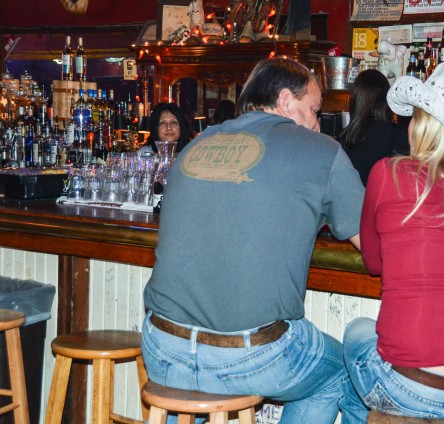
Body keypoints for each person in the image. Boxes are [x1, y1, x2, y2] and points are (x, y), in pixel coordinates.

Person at [142, 57, 364, 424]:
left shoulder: (197, 144)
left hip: (162, 347)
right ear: (285, 101)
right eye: (313, 110)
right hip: (251, 357)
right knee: (344, 372)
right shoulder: (323, 151)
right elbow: (374, 250)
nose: (315, 122)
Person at [339, 62, 444, 422]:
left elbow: (374, 261)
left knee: (357, 335)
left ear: (424, 125)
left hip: (411, 385)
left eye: (414, 118)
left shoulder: (389, 173)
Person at [338, 69, 409, 185]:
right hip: (380, 202)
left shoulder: (344, 137)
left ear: (356, 99)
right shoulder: (396, 135)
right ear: (385, 100)